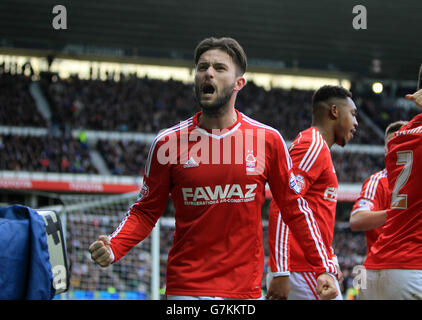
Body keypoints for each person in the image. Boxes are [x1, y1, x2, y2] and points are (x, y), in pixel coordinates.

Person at [89, 37, 338, 300]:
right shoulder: (167, 143)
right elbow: (145, 211)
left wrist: (323, 267)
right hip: (186, 289)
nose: (208, 72)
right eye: (202, 67)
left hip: (244, 292)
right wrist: (114, 245)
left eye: (219, 68)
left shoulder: (268, 140)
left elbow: (294, 208)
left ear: (238, 83)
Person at [266, 85, 358, 300]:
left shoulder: (316, 147)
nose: (356, 123)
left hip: (307, 269)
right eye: (353, 114)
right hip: (301, 270)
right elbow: (282, 205)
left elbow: (314, 216)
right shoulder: (313, 146)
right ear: (334, 111)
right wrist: (281, 271)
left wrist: (329, 260)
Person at [358, 89, 422, 300]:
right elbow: (356, 219)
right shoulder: (377, 180)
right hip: (410, 266)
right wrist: (395, 212)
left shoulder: (399, 140)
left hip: (373, 268)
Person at [349, 120, 407, 256]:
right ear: (385, 150)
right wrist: (398, 213)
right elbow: (357, 219)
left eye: (402, 144)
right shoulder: (378, 181)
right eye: (392, 145)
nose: (396, 149)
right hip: (386, 265)